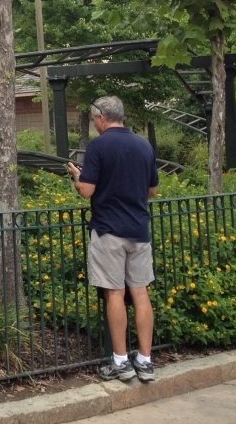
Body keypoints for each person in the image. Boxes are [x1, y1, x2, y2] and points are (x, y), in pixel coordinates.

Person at [67, 96, 159, 384]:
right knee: (140, 293)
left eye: (94, 120)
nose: (94, 125)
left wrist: (77, 178)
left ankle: (120, 361)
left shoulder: (99, 146)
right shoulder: (143, 145)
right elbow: (152, 191)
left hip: (108, 231)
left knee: (114, 294)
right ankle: (144, 360)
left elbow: (86, 191)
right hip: (139, 231)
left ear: (102, 118)